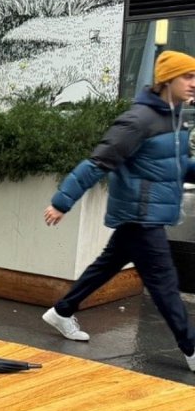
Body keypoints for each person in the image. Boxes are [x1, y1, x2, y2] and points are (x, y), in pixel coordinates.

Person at [41, 50, 195, 369]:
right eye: (188, 76)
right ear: (167, 79)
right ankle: (191, 347)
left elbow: (174, 167)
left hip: (146, 214)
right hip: (141, 215)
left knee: (106, 265)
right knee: (164, 283)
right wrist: (62, 202)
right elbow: (99, 161)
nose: (194, 83)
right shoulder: (139, 120)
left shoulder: (174, 117)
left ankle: (61, 311)